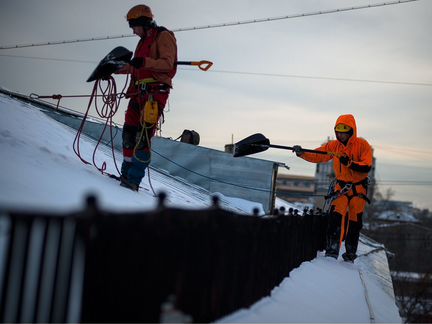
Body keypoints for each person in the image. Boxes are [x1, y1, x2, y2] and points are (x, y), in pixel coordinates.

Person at [292, 114, 373, 262]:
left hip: (358, 191)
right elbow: (318, 155)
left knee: (355, 222)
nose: (341, 135)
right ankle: (332, 250)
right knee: (335, 218)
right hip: (341, 188)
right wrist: (302, 153)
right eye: (338, 132)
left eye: (344, 131)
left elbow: (366, 166)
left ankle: (350, 253)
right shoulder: (333, 146)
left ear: (351, 131)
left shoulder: (362, 145)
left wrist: (349, 162)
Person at [115, 4, 177, 191]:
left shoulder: (163, 36)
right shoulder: (142, 42)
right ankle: (125, 174)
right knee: (128, 134)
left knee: (142, 137)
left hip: (154, 95)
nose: (133, 31)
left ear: (143, 23)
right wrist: (115, 69)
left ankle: (133, 180)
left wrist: (145, 61)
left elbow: (167, 65)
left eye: (134, 26)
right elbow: (137, 66)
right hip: (138, 93)